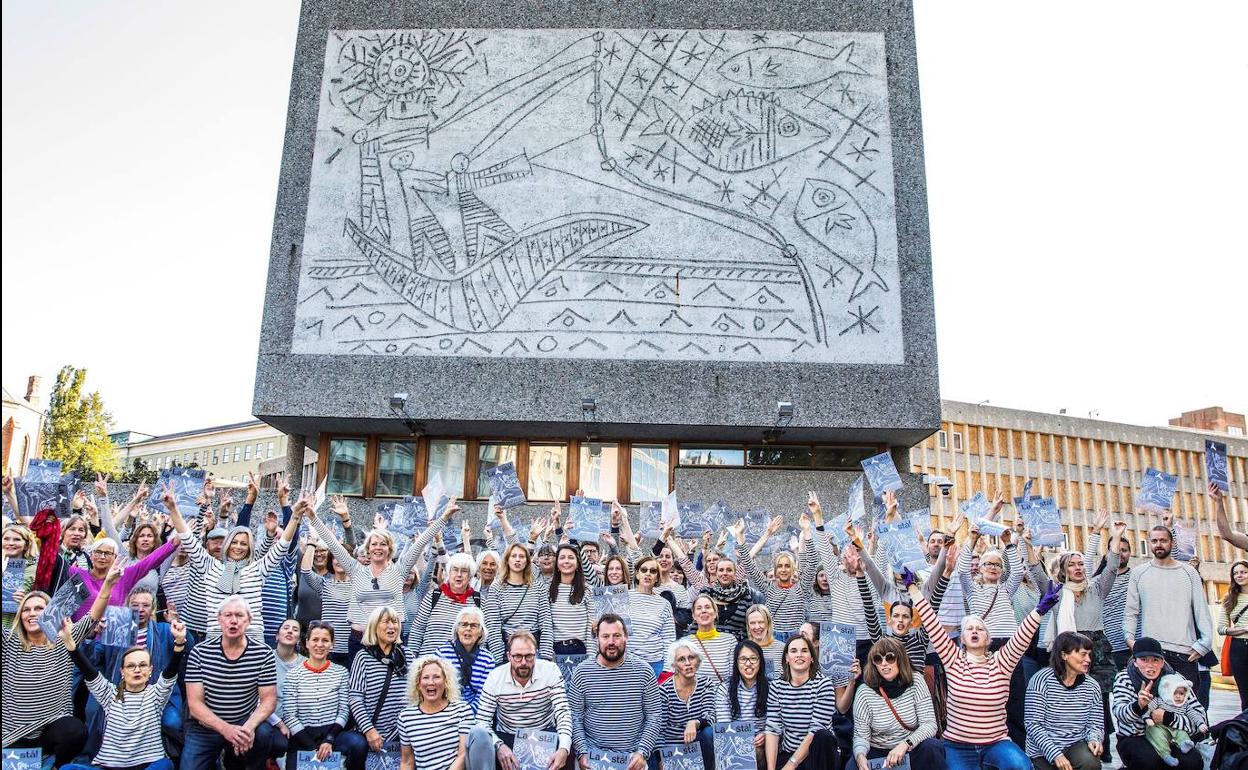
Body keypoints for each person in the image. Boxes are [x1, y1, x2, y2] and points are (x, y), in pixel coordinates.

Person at [909, 568, 1061, 770]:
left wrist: (1039, 611)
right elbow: (932, 623)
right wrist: (912, 588)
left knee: (1021, 765)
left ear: (988, 639)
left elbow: (1020, 638)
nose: (974, 631)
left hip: (996, 744)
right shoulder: (953, 659)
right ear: (962, 639)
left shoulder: (1002, 662)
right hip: (957, 746)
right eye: (969, 629)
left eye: (979, 629)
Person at [3, 563, 121, 767]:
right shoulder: (9, 641)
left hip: (51, 730)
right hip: (12, 733)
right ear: (20, 616)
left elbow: (93, 615)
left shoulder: (65, 639)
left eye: (39, 608)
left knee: (75, 730)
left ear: (51, 612)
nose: (32, 613)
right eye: (27, 610)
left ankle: (54, 764)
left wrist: (108, 583)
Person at [1033, 520, 1128, 761]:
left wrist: (1115, 536)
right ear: (1063, 570)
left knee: (1099, 697)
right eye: (1072, 564)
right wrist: (1027, 545)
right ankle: (1068, 743)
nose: (1078, 568)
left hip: (1096, 646)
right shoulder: (1055, 592)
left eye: (1080, 564)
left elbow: (1112, 566)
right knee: (1069, 696)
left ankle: (1099, 744)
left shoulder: (1096, 588)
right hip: (1067, 647)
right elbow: (1035, 571)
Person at [311, 494, 446, 660]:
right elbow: (331, 542)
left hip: (389, 640)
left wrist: (444, 517)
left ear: (389, 549)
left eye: (383, 544)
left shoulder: (399, 571)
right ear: (368, 548)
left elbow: (421, 542)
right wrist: (312, 515)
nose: (378, 548)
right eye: (374, 544)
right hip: (359, 640)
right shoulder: (355, 570)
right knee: (358, 684)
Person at [165, 486, 301, 640]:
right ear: (227, 544)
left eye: (243, 544)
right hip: (216, 643)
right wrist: (173, 509)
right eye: (234, 542)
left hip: (252, 644)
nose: (238, 547)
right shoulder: (211, 566)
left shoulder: (257, 570)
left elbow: (283, 545)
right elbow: (188, 539)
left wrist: (295, 516)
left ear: (250, 548)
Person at [59, 614, 187, 770]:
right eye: (131, 666)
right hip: (110, 766)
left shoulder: (157, 694)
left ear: (150, 670)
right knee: (68, 769)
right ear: (122, 671)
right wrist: (69, 643)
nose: (137, 670)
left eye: (142, 665)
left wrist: (179, 643)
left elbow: (171, 671)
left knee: (164, 765)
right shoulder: (109, 693)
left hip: (146, 766)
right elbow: (87, 669)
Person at [182, 595, 277, 770]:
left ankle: (238, 763)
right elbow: (195, 704)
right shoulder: (200, 652)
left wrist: (247, 728)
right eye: (228, 615)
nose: (233, 621)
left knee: (263, 734)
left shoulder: (264, 653)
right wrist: (227, 730)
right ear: (219, 619)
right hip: (206, 725)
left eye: (240, 616)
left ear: (249, 620)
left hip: (243, 722)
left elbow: (268, 700)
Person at [1123, 524, 1214, 697]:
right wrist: (1129, 638)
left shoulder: (1189, 573)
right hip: (1152, 653)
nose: (1159, 544)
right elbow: (1131, 610)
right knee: (1151, 707)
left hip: (1184, 654)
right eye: (1154, 540)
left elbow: (1202, 611)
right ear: (1149, 543)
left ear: (1171, 543)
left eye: (1163, 540)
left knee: (1186, 709)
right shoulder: (1139, 573)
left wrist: (1204, 644)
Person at [568, 613, 663, 770]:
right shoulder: (582, 672)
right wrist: (582, 753)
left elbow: (654, 715)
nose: (611, 642)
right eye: (605, 636)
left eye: (616, 636)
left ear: (626, 637)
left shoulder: (644, 671)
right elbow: (574, 716)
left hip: (632, 758)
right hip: (592, 756)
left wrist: (642, 752)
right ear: (597, 639)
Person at [471, 630, 572, 770]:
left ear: (536, 654)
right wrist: (499, 746)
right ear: (508, 656)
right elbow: (482, 721)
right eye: (517, 656)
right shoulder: (495, 677)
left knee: (567, 749)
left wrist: (564, 749)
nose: (523, 662)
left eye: (529, 656)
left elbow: (563, 712)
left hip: (544, 733)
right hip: (508, 736)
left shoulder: (550, 670)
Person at [851, 636, 944, 770]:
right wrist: (860, 756)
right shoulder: (864, 691)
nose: (884, 663)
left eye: (889, 658)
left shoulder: (916, 681)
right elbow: (861, 736)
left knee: (932, 747)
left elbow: (929, 725)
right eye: (878, 659)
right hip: (878, 751)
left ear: (900, 659)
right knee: (853, 765)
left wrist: (905, 745)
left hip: (910, 748)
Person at [282, 620, 365, 770]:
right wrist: (311, 747)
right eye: (315, 639)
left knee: (358, 743)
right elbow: (289, 715)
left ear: (332, 644)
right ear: (306, 643)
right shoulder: (293, 675)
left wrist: (329, 739)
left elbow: (344, 710)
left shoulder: (341, 672)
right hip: (303, 736)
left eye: (325, 640)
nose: (319, 645)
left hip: (332, 733)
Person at [1111, 637, 1203, 770]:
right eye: (1144, 660)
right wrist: (1138, 705)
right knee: (1149, 761)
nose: (1150, 665)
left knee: (1192, 761)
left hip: (1173, 735)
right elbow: (1121, 715)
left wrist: (1168, 717)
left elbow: (1200, 716)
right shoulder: (1124, 678)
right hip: (1136, 737)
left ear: (1162, 662)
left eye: (1155, 660)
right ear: (1135, 662)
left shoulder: (1175, 678)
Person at [1023, 631, 1104, 770]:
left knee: (1090, 762)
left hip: (1075, 744)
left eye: (1089, 655)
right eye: (1083, 654)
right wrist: (1055, 754)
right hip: (1042, 750)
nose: (1088, 660)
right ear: (1064, 655)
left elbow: (1095, 723)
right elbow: (1033, 724)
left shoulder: (1092, 686)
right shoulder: (1040, 680)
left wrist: (1094, 739)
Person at [764, 635, 840, 770]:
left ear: (811, 658)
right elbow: (772, 729)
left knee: (823, 735)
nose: (799, 655)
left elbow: (814, 730)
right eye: (793, 651)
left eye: (804, 650)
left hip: (817, 755)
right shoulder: (776, 686)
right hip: (789, 752)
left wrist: (791, 765)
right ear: (787, 658)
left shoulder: (824, 684)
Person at [735, 511, 817, 636]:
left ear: (793, 569)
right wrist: (740, 536)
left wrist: (806, 530)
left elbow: (812, 563)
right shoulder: (768, 587)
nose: (783, 569)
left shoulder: (802, 587)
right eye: (780, 566)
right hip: (774, 639)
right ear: (775, 570)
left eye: (787, 566)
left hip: (796, 640)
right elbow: (749, 564)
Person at [349, 605, 413, 759]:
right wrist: (369, 730)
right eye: (386, 622)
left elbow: (415, 697)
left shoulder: (409, 656)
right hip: (370, 733)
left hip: (401, 733)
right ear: (374, 626)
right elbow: (355, 698)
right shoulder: (363, 657)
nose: (392, 626)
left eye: (395, 622)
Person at [398, 655, 473, 770]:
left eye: (437, 677)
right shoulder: (406, 717)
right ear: (418, 683)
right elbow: (407, 761)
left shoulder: (462, 710)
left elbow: (463, 755)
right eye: (425, 677)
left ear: (446, 681)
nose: (431, 682)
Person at [485, 542, 555, 661]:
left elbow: (546, 624)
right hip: (507, 650)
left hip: (534, 650)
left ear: (527, 561)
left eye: (521, 557)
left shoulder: (539, 588)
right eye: (514, 556)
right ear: (507, 560)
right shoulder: (496, 588)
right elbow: (493, 626)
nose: (517, 560)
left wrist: (546, 657)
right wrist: (499, 660)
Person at [659, 640, 716, 770]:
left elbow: (711, 716)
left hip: (698, 747)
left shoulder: (706, 683)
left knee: (709, 732)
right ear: (674, 665)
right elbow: (659, 730)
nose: (688, 663)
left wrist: (695, 722)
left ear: (698, 660)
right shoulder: (664, 690)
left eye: (691, 657)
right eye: (681, 659)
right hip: (672, 749)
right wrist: (662, 758)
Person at [714, 640, 771, 768]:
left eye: (753, 659)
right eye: (743, 659)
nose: (748, 664)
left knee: (758, 750)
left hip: (762, 741)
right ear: (736, 662)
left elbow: (776, 719)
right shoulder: (725, 688)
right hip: (735, 740)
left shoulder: (771, 687)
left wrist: (766, 733)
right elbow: (724, 724)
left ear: (760, 661)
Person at [436, 606, 495, 714]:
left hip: (475, 715)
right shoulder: (441, 654)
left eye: (474, 625)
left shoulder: (487, 659)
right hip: (444, 713)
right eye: (464, 624)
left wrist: (466, 715)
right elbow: (437, 691)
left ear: (481, 632)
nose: (468, 629)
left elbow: (483, 696)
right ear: (457, 629)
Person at [626, 555, 677, 675]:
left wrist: (667, 670)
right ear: (637, 574)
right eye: (644, 570)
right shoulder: (622, 597)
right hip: (625, 663)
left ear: (657, 578)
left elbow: (669, 639)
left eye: (653, 571)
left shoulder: (664, 604)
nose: (648, 573)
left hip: (654, 665)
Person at [1144, 674, 1208, 767]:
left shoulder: (1185, 705)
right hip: (1159, 727)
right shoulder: (1159, 701)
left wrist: (1200, 724)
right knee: (1157, 737)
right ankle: (1166, 755)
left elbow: (1195, 715)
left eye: (1181, 694)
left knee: (1182, 733)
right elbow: (1147, 709)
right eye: (1175, 693)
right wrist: (1147, 718)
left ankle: (1184, 744)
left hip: (1175, 728)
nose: (1178, 696)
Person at [680, 593, 738, 684]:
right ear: (694, 616)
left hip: (721, 696)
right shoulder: (685, 643)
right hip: (695, 696)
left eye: (707, 607)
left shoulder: (730, 641)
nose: (703, 611)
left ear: (715, 613)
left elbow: (732, 678)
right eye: (699, 608)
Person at [549, 541, 593, 655]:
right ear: (557, 564)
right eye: (562, 557)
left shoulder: (588, 591)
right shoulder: (547, 590)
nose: (566, 561)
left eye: (571, 557)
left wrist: (591, 656)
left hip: (580, 649)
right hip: (555, 650)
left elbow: (591, 627)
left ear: (578, 563)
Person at [1221, 560, 1248, 710]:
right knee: (1245, 694)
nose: (1239, 575)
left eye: (1243, 572)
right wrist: (1244, 629)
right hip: (1238, 648)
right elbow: (1221, 628)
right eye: (1235, 573)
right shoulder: (1230, 598)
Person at [1, 522, 38, 630]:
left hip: (17, 628)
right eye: (6, 539)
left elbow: (43, 598)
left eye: (17, 539)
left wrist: (27, 600)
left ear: (26, 545)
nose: (10, 543)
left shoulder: (34, 568)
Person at [746, 604, 785, 674]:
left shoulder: (782, 648)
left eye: (761, 622)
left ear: (768, 623)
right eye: (752, 623)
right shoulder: (743, 649)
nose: (757, 627)